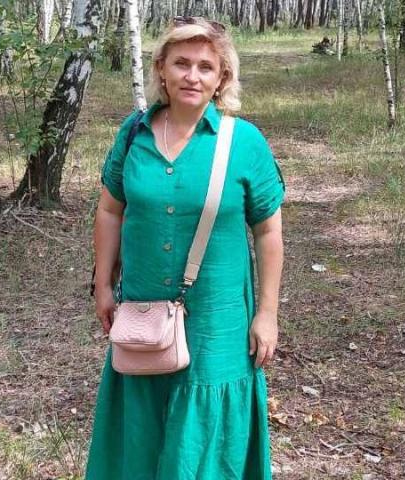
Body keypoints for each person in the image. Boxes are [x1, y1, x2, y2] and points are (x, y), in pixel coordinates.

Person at [86, 16, 285, 480]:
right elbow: (110, 210)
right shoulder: (133, 133)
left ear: (222, 78)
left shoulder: (244, 142)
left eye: (205, 67)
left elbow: (268, 232)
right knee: (143, 427)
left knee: (209, 439)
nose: (192, 76)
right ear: (161, 68)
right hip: (143, 313)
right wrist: (103, 285)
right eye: (181, 63)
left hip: (218, 320)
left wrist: (267, 313)